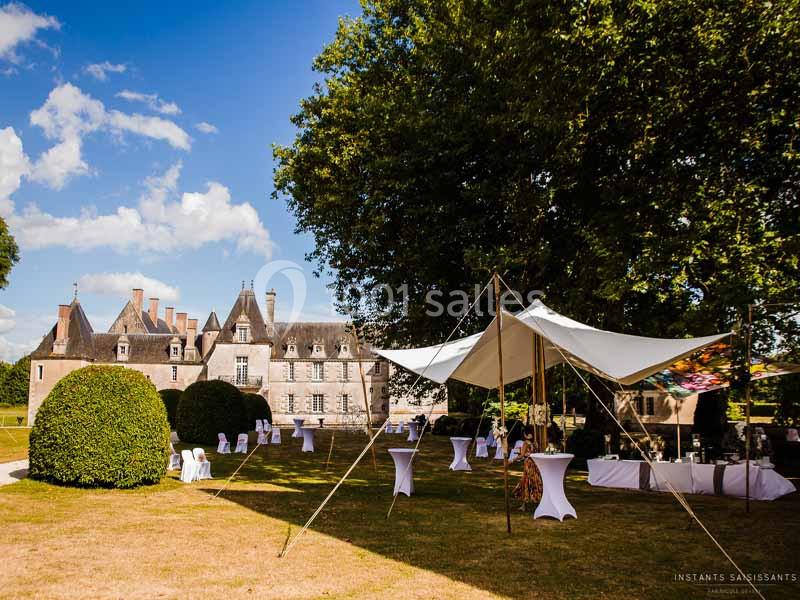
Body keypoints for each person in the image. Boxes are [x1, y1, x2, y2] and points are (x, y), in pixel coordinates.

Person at [513, 424, 542, 510]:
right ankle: (536, 501)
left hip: (528, 464)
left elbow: (522, 455)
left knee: (526, 482)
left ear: (527, 434)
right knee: (535, 481)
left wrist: (513, 459)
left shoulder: (526, 443)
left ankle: (524, 505)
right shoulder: (535, 443)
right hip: (535, 464)